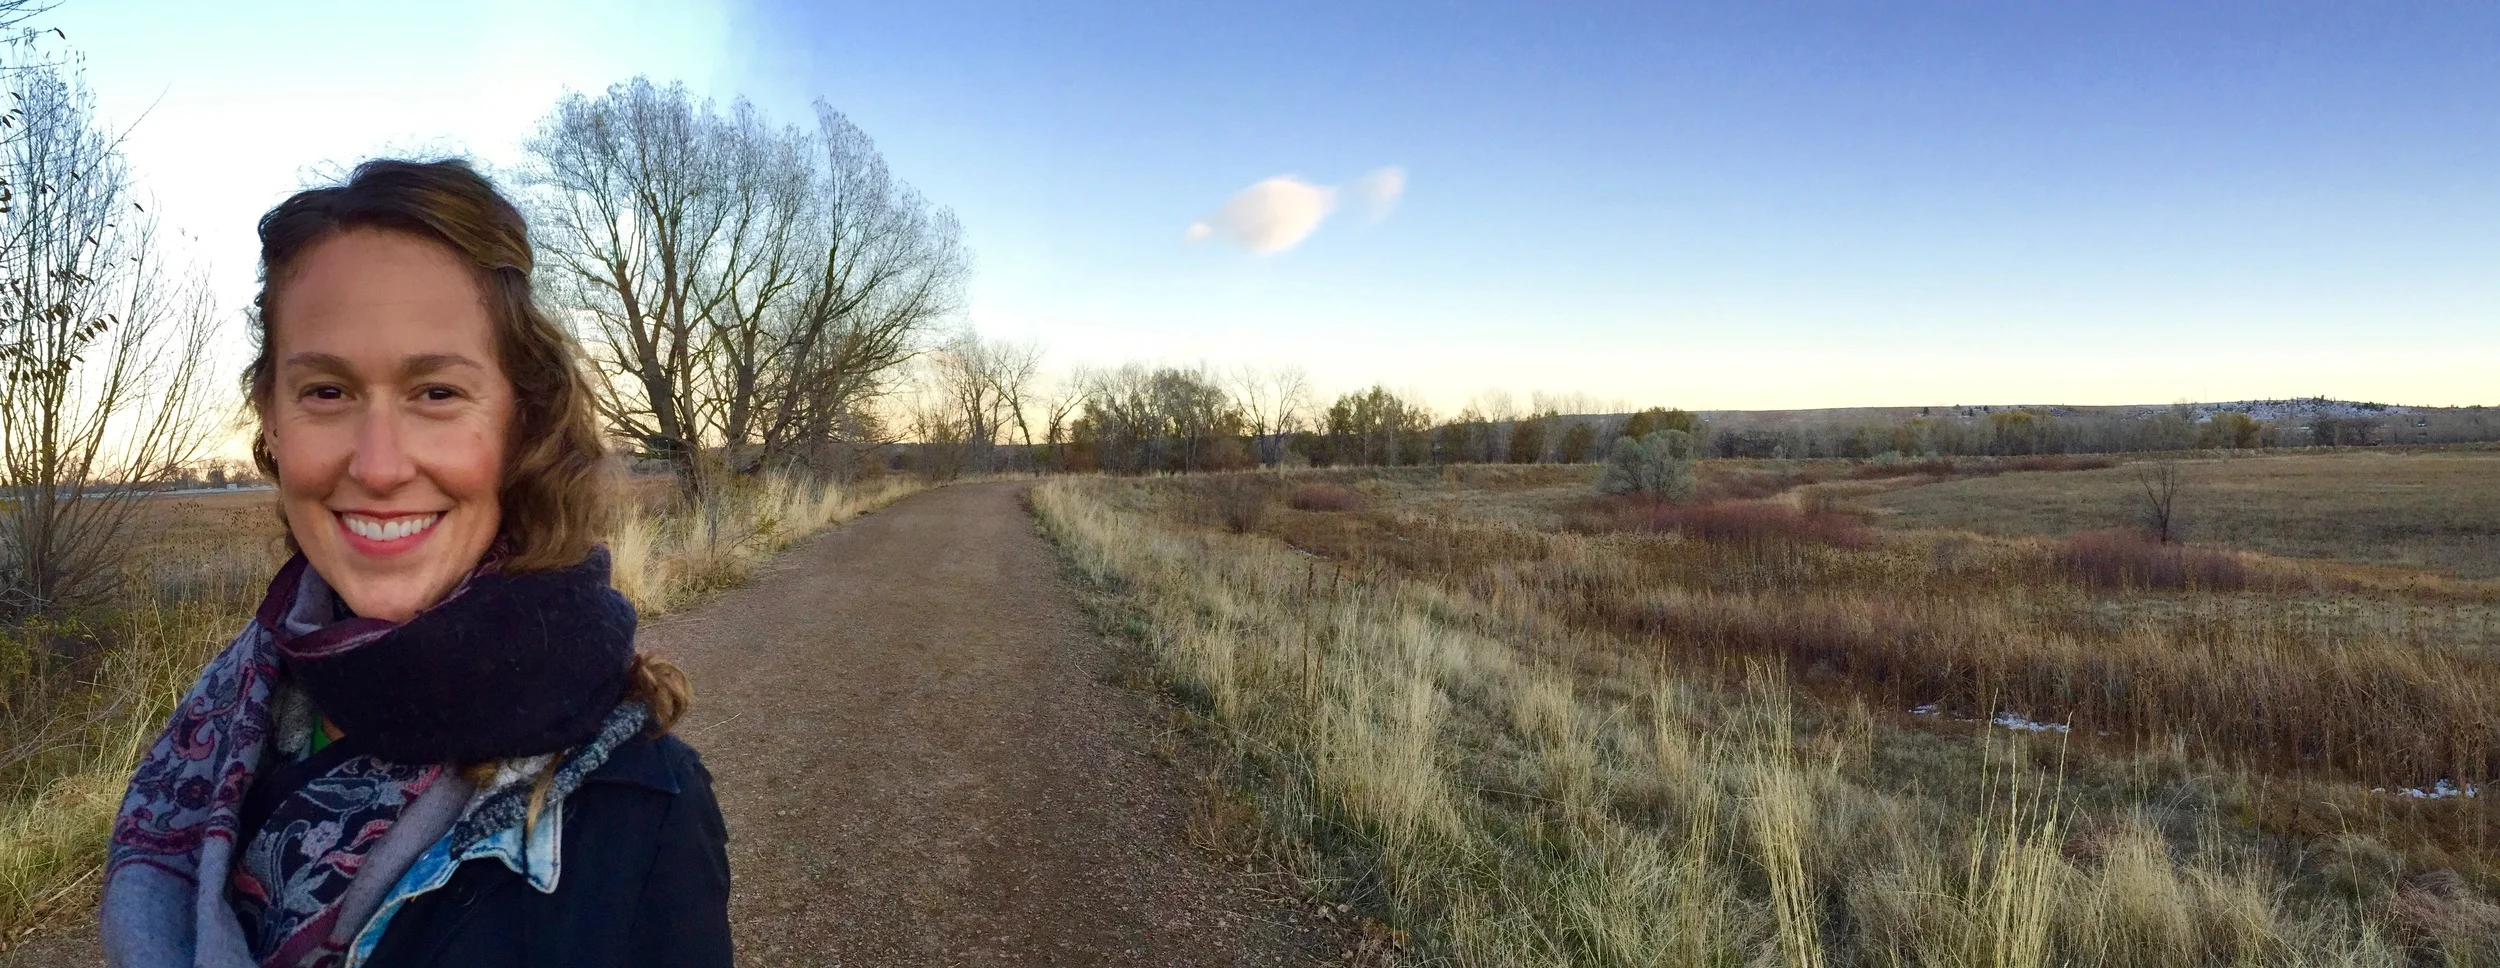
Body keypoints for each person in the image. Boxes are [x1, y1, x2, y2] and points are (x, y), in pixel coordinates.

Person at [98, 159, 734, 968]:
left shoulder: (643, 812)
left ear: (520, 422)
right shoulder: (222, 734)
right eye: (327, 392)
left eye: (436, 393)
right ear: (272, 420)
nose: (380, 465)